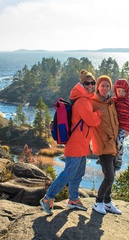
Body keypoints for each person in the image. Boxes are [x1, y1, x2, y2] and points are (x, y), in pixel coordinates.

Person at [40, 69, 102, 215]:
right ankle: (47, 198)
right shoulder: (82, 101)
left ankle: (73, 200)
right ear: (82, 84)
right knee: (68, 173)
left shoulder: (86, 99)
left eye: (93, 83)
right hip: (75, 145)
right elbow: (93, 121)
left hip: (81, 145)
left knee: (78, 173)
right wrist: (98, 113)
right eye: (87, 83)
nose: (91, 85)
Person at [91, 75, 122, 215]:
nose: (105, 88)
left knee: (112, 174)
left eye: (107, 86)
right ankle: (98, 202)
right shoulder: (93, 102)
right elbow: (87, 120)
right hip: (102, 145)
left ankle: (108, 202)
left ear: (111, 88)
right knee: (109, 176)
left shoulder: (111, 102)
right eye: (102, 85)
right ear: (98, 87)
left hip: (113, 144)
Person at [112, 79, 129, 171]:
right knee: (110, 140)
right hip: (115, 125)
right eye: (118, 91)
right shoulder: (113, 100)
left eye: (123, 91)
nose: (121, 93)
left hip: (125, 127)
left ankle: (119, 158)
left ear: (127, 91)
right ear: (115, 91)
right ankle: (106, 157)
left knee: (119, 141)